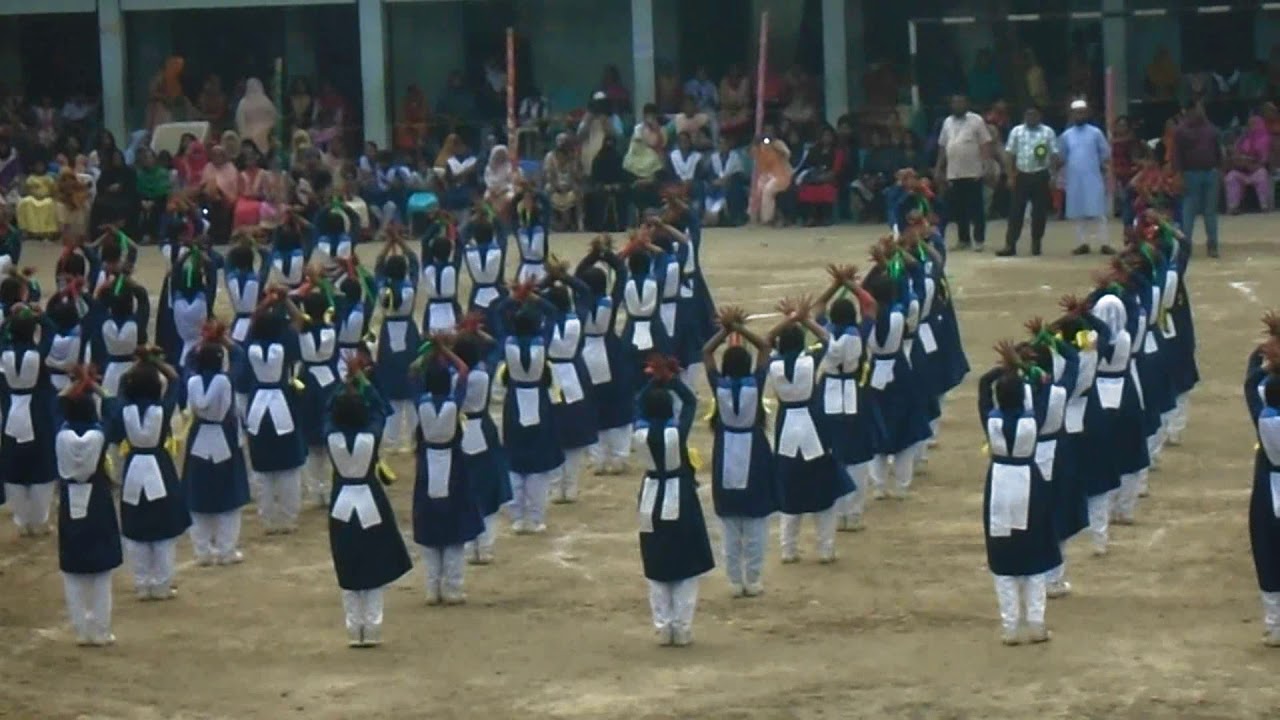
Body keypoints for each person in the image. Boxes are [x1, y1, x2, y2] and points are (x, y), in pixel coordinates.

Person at [980, 343, 1062, 646]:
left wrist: (1004, 368)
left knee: (1003, 557)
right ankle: (1037, 624)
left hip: (1000, 484)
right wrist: (1023, 367)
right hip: (1031, 484)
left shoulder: (992, 421)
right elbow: (1045, 384)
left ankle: (1010, 626)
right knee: (1036, 554)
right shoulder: (1032, 421)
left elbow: (982, 386)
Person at [325, 375, 411, 647]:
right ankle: (372, 628)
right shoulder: (370, 435)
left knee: (347, 565)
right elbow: (382, 409)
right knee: (373, 566)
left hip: (341, 504)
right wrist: (362, 380)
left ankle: (354, 629)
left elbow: (326, 411)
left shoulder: (331, 436)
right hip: (370, 501)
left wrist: (343, 384)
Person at [766, 297, 854, 564]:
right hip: (813, 424)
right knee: (823, 489)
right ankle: (825, 549)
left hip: (786, 427)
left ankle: (788, 549)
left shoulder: (773, 364)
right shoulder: (808, 361)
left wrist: (789, 320)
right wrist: (804, 318)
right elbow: (826, 339)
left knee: (789, 489)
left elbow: (766, 341)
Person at [634, 373, 714, 646]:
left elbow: (636, 401)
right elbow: (691, 402)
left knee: (656, 562)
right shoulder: (675, 434)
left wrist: (652, 381)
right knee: (686, 562)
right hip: (679, 495)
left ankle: (663, 626)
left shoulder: (639, 432)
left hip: (650, 496)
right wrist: (671, 380)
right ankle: (682, 627)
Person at [703, 307, 778, 596]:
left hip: (726, 449)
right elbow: (765, 346)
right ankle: (754, 578)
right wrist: (740, 328)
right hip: (754, 449)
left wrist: (726, 330)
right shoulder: (754, 384)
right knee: (756, 520)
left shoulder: (719, 385)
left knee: (730, 522)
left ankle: (734, 580)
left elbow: (706, 352)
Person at [110, 355, 189, 600]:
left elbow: (121, 385)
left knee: (137, 525)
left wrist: (137, 364)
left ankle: (143, 584)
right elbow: (176, 381)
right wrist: (154, 361)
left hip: (133, 465)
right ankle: (162, 585)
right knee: (163, 529)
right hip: (159, 466)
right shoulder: (161, 410)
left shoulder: (123, 409)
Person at [54, 367, 122, 646]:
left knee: (73, 567)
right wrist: (94, 386)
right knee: (101, 569)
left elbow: (57, 406)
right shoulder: (98, 436)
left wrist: (76, 386)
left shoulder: (61, 436)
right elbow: (113, 412)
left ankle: (82, 630)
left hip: (70, 499)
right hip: (96, 498)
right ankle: (101, 630)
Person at [412, 340, 484, 605]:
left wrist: (430, 351)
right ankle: (453, 588)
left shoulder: (421, 404)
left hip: (427, 467)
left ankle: (432, 589)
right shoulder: (454, 405)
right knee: (455, 531)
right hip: (454, 467)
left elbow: (413, 372)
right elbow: (464, 370)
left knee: (430, 531)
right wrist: (445, 350)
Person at [180, 327, 250, 566]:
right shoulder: (226, 380)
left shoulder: (191, 381)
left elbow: (187, 363)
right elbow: (240, 358)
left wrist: (202, 341)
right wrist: (223, 340)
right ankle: (226, 550)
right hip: (225, 437)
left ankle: (203, 552)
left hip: (198, 436)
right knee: (229, 494)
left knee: (197, 494)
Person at [243, 294, 307, 534]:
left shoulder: (251, 347)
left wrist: (265, 302)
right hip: (283, 402)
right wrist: (285, 298)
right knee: (289, 464)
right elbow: (300, 321)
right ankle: (288, 518)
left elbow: (251, 322)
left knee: (262, 466)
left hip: (258, 405)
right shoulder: (285, 344)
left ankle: (268, 519)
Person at [502, 303, 564, 534]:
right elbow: (553, 313)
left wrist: (515, 297)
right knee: (538, 463)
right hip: (539, 401)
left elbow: (499, 312)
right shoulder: (541, 344)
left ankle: (517, 517)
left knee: (514, 459)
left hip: (515, 403)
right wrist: (535, 296)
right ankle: (536, 518)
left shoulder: (508, 345)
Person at [1, 304, 55, 536]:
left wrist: (8, 319)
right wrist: (39, 315)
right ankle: (40, 519)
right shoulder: (37, 355)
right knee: (41, 462)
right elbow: (51, 331)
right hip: (36, 411)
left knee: (14, 463)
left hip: (12, 410)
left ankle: (22, 519)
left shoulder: (5, 354)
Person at [1246, 335, 1280, 646]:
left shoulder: (1265, 419)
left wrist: (1262, 358)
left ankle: (1274, 624)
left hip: (1270, 485)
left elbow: (1250, 387)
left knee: (1268, 552)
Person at [935, 95, 993, 251]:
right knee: (958, 208)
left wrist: (987, 164)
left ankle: (979, 240)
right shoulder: (947, 122)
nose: (957, 105)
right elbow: (942, 146)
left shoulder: (976, 120)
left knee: (976, 207)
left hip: (973, 171)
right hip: (954, 172)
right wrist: (938, 167)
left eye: (961, 103)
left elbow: (985, 143)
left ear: (967, 104)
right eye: (954, 103)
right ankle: (964, 239)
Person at [998, 106, 1056, 257]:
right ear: (1024, 116)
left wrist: (1053, 176)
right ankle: (1010, 245)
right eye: (1028, 114)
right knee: (1015, 212)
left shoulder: (1048, 132)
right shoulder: (1016, 131)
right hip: (1021, 175)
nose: (1031, 117)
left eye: (1034, 115)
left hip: (1041, 175)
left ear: (1040, 116)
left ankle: (1036, 243)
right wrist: (1010, 176)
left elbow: (1054, 154)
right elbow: (1010, 154)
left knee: (1039, 212)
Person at [1060, 100, 1112, 256]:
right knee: (1078, 212)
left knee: (1098, 211)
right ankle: (1082, 243)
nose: (1079, 115)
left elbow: (1105, 153)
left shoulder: (1095, 132)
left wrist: (1104, 169)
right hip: (1074, 178)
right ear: (1072, 114)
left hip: (1093, 176)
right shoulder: (1066, 135)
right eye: (1077, 112)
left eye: (1082, 112)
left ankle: (1105, 243)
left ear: (1087, 113)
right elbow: (1062, 155)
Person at [1173, 100, 1223, 257]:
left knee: (1210, 212)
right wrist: (1179, 176)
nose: (1201, 111)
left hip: (1211, 172)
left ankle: (1213, 245)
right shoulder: (1181, 131)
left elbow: (1218, 152)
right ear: (1189, 111)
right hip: (1190, 174)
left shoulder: (1212, 130)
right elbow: (1177, 156)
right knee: (1189, 211)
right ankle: (1186, 246)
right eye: (1197, 108)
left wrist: (1220, 171)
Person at [795, 124, 845, 226]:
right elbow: (806, 166)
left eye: (829, 136)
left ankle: (826, 218)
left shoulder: (837, 151)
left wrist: (823, 177)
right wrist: (812, 177)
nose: (826, 138)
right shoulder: (813, 150)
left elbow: (836, 170)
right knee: (806, 189)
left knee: (826, 188)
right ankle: (810, 218)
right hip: (814, 178)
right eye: (824, 135)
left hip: (829, 179)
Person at [1226, 115, 1272, 214]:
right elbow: (1236, 154)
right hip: (1242, 170)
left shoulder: (1265, 139)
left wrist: (1253, 166)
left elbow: (1264, 160)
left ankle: (1264, 205)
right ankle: (1233, 206)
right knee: (1231, 176)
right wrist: (1239, 160)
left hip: (1257, 169)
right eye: (1249, 124)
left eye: (1253, 124)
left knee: (1262, 175)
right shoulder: (1243, 138)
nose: (1251, 126)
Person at [544, 133, 584, 232]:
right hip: (555, 186)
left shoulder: (573, 158)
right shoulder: (550, 157)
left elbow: (578, 177)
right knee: (547, 189)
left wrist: (576, 161)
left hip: (569, 186)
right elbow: (548, 176)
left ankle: (580, 224)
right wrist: (557, 186)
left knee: (578, 190)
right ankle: (550, 223)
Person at [704, 134, 746, 227]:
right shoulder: (714, 158)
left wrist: (728, 179)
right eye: (720, 143)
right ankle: (711, 217)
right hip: (716, 185)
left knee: (735, 189)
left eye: (724, 144)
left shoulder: (735, 157)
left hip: (731, 184)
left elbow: (739, 174)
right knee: (709, 191)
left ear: (728, 145)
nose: (722, 146)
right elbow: (709, 174)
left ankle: (731, 218)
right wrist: (715, 181)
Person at [750, 136, 792, 226]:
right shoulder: (759, 155)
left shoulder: (777, 149)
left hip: (783, 177)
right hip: (770, 177)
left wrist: (777, 145)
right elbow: (764, 172)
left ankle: (767, 220)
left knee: (768, 190)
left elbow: (787, 154)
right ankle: (754, 218)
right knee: (758, 189)